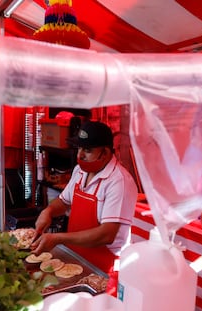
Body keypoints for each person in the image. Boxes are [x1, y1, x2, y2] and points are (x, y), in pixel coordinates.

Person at [31, 121, 138, 296]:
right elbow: (64, 201)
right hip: (77, 258)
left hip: (105, 268)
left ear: (105, 152)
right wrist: (48, 211)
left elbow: (107, 234)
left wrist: (58, 238)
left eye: (87, 150)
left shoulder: (119, 182)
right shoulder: (80, 172)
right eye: (79, 148)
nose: (80, 155)